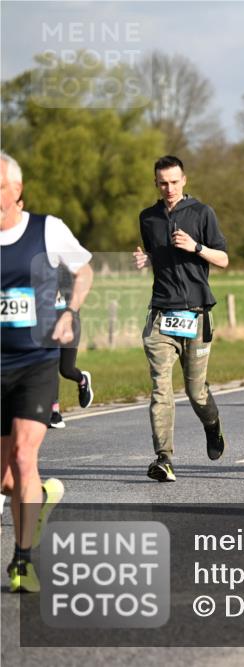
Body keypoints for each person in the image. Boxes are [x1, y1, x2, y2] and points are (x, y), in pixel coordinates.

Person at [2, 151, 92, 592]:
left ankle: (22, 561)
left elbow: (85, 270)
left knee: (23, 456)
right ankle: (40, 497)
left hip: (34, 361)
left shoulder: (46, 229)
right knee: (6, 477)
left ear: (16, 190)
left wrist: (69, 312)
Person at [134, 156, 228, 483]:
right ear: (156, 183)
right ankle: (164, 457)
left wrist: (196, 246)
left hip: (196, 314)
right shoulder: (148, 218)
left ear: (184, 180)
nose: (169, 188)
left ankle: (212, 427)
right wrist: (146, 260)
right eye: (162, 183)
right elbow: (157, 254)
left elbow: (224, 259)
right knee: (161, 388)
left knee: (196, 392)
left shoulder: (203, 213)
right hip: (161, 314)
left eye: (174, 182)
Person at [49, 264, 95, 428]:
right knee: (49, 366)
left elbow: (85, 278)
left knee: (66, 369)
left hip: (69, 323)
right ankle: (54, 412)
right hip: (45, 325)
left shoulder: (67, 263)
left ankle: (82, 380)